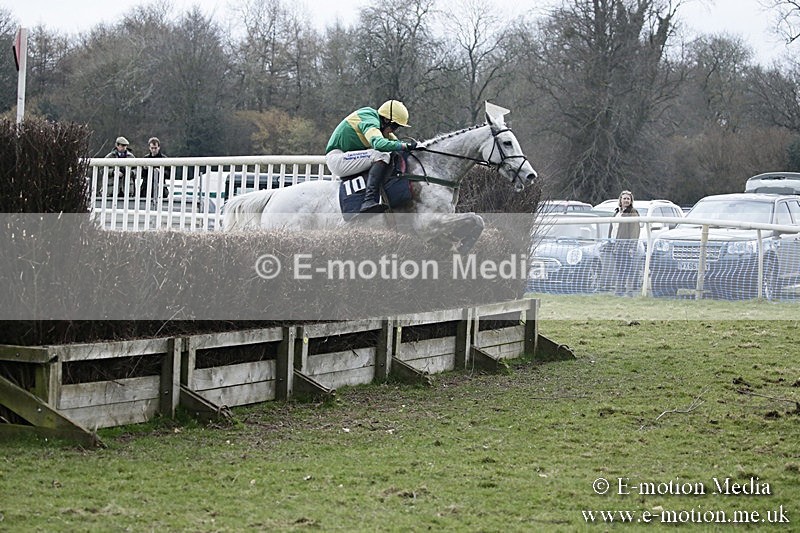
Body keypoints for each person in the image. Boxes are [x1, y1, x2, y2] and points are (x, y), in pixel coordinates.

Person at [325, 100, 417, 213]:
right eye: (395, 126)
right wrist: (405, 146)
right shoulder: (369, 119)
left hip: (345, 158)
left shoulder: (378, 123)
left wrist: (415, 147)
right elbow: (379, 144)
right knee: (381, 154)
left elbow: (396, 143)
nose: (394, 130)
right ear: (386, 120)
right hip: (337, 159)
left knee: (387, 153)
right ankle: (369, 200)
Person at [607, 190, 641, 295]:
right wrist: (610, 243)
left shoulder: (632, 213)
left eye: (628, 199)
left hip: (626, 245)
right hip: (616, 245)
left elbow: (634, 230)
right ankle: (619, 290)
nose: (626, 200)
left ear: (631, 201)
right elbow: (612, 228)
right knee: (619, 268)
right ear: (620, 200)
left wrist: (632, 246)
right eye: (624, 198)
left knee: (627, 268)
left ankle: (628, 291)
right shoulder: (617, 212)